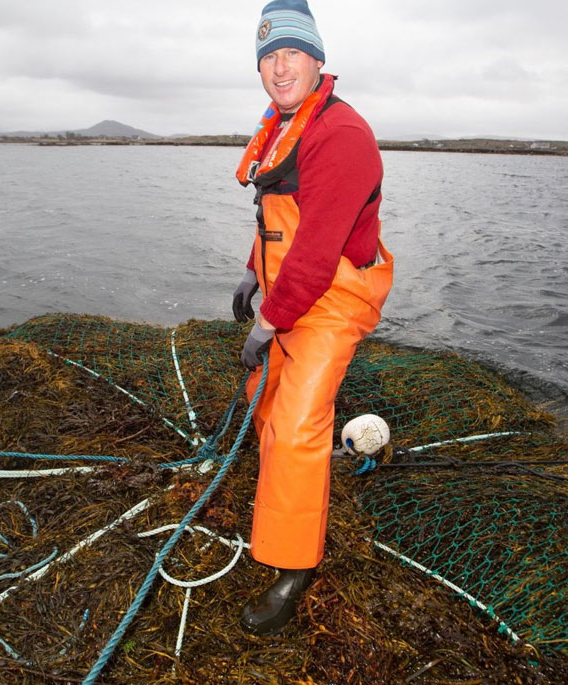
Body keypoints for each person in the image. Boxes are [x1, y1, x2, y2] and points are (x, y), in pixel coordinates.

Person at [231, 0, 394, 635]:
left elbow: (319, 247)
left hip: (334, 296)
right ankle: (279, 484)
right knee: (264, 397)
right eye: (268, 57)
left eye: (290, 53)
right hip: (290, 288)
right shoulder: (283, 124)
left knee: (297, 424)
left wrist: (267, 322)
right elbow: (274, 213)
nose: (278, 67)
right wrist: (252, 272)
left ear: (318, 59)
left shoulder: (342, 134)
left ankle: (294, 564)